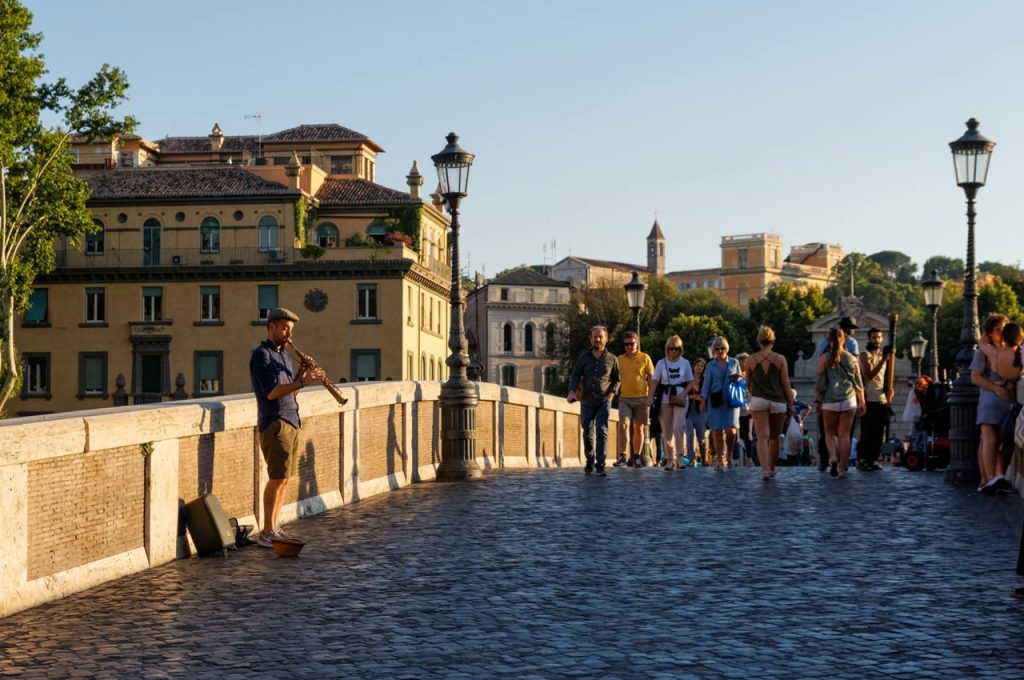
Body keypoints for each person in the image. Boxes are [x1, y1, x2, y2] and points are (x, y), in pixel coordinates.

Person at [250, 307, 325, 548]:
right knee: (277, 477)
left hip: (291, 419)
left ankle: (275, 526)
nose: (288, 334)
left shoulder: (283, 355)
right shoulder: (262, 355)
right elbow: (272, 392)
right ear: (271, 326)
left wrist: (301, 373)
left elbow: (288, 386)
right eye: (284, 328)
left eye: (290, 329)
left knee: (284, 479)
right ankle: (267, 530)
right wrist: (304, 382)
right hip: (275, 422)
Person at [743, 326, 795, 480]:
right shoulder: (780, 359)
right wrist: (791, 404)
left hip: (758, 400)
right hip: (778, 401)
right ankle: (772, 469)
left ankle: (764, 470)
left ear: (759, 341)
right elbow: (786, 384)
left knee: (762, 437)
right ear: (773, 340)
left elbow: (747, 383)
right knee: (774, 437)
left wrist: (751, 395)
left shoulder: (751, 360)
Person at [971, 314, 1015, 494]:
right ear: (989, 333)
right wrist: (994, 388)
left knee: (1005, 439)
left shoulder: (1009, 349)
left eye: (1004, 329)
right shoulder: (982, 352)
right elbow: (975, 377)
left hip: (1007, 399)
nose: (1002, 333)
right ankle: (989, 479)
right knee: (990, 439)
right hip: (991, 397)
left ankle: (997, 477)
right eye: (998, 330)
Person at [568, 326, 620, 477]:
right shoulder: (583, 357)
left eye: (600, 337)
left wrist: (611, 395)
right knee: (587, 432)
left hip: (604, 399)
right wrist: (572, 391)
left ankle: (601, 465)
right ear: (591, 338)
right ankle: (590, 459)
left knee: (602, 430)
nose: (597, 339)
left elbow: (617, 380)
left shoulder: (612, 359)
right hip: (587, 400)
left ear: (606, 338)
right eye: (594, 337)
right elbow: (576, 376)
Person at [815, 327, 866, 479]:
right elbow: (859, 383)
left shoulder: (824, 359)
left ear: (829, 341)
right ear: (844, 340)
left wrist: (818, 400)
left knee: (829, 433)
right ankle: (843, 468)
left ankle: (833, 458)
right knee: (844, 435)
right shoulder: (852, 359)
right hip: (849, 401)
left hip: (829, 401)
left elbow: (820, 383)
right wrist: (862, 402)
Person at [652, 335, 694, 470]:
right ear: (667, 349)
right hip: (665, 398)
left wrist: (684, 393)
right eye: (671, 349)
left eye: (677, 349)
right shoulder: (661, 363)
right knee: (667, 430)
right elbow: (654, 381)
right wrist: (649, 396)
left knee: (678, 426)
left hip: (681, 398)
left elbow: (690, 382)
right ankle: (669, 459)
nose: (674, 352)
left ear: (680, 349)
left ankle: (680, 457)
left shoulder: (685, 363)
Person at [614, 331, 656, 467]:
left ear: (637, 344)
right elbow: (613, 377)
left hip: (642, 398)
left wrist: (651, 396)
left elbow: (651, 378)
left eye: (631, 344)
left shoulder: (645, 358)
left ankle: (637, 456)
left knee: (638, 428)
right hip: (625, 398)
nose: (629, 347)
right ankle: (622, 456)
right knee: (623, 425)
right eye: (626, 344)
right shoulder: (619, 360)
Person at [701, 336, 741, 470]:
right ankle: (719, 457)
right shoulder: (710, 365)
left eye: (722, 348)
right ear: (713, 350)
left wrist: (737, 381)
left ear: (727, 349)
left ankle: (728, 456)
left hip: (731, 400)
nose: (720, 350)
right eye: (717, 348)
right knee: (717, 430)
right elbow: (706, 384)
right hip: (715, 400)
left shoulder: (734, 363)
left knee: (731, 430)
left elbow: (740, 382)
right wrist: (703, 400)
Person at [857, 327, 891, 472]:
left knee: (879, 433)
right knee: (867, 432)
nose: (876, 340)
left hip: (882, 399)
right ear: (869, 339)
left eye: (879, 337)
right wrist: (883, 360)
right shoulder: (866, 355)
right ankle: (863, 459)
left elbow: (887, 377)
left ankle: (874, 459)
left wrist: (890, 391)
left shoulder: (886, 356)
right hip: (869, 399)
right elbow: (869, 375)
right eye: (873, 337)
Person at [685, 358, 709, 466]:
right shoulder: (687, 379)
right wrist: (695, 396)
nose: (699, 367)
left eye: (702, 366)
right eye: (697, 365)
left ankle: (704, 457)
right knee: (689, 435)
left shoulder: (705, 380)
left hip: (700, 411)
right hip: (688, 411)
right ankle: (691, 458)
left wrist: (692, 396)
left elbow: (705, 396)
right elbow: (683, 394)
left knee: (701, 437)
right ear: (693, 366)